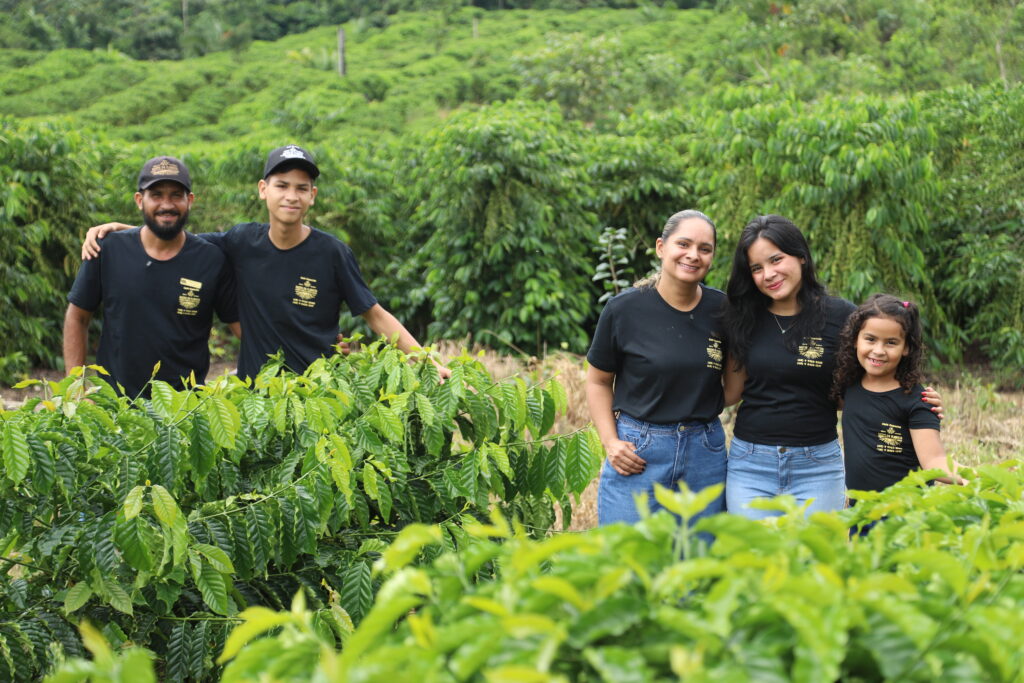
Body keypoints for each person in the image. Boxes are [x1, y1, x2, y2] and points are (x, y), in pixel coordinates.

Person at [83, 145, 449, 382]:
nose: (291, 196)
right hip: (257, 394)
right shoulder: (241, 241)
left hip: (320, 389)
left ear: (312, 196)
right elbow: (178, 239)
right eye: (282, 185)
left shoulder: (332, 253)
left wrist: (428, 362)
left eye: (301, 188)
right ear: (263, 190)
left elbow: (375, 315)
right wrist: (123, 229)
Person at [722, 216, 942, 519]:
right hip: (750, 464)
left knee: (818, 550)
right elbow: (731, 392)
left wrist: (917, 400)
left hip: (817, 466)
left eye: (776, 260)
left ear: (801, 256)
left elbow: (874, 375)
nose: (768, 274)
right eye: (756, 268)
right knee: (752, 550)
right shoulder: (743, 317)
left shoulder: (841, 316)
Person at [586, 210, 728, 528]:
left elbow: (734, 384)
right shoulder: (623, 309)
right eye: (684, 244)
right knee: (628, 552)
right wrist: (611, 442)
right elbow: (598, 382)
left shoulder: (723, 310)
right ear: (661, 247)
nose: (693, 255)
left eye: (704, 249)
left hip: (704, 454)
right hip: (638, 451)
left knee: (699, 555)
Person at [63, 156, 239, 397]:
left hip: (183, 406)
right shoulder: (108, 249)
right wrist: (76, 390)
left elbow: (242, 328)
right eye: (156, 195)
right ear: (139, 200)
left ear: (190, 201)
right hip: (115, 405)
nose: (166, 204)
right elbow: (77, 317)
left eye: (176, 195)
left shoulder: (211, 259)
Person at [831, 294, 961, 496]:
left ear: (906, 347)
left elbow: (934, 460)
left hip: (906, 508)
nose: (878, 350)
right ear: (855, 339)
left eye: (891, 342)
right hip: (861, 507)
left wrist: (977, 477)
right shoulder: (849, 386)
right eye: (870, 339)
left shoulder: (918, 400)